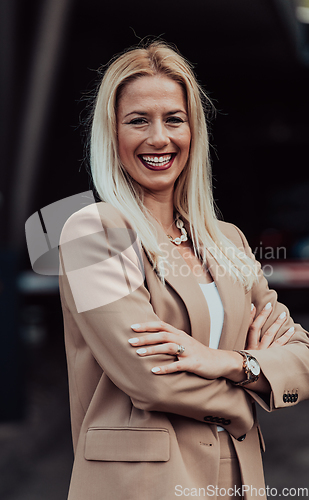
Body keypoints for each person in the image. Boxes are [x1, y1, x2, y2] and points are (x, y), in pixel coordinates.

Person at [58, 41, 309, 500]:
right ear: (111, 133)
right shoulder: (92, 232)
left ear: (194, 130)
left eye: (174, 119)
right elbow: (149, 379)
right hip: (142, 486)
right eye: (138, 121)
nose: (159, 138)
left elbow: (301, 354)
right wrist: (253, 390)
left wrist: (232, 362)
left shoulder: (226, 239)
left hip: (238, 481)